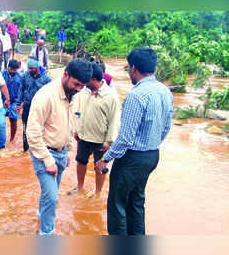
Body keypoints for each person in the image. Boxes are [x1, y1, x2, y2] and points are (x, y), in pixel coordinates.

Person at [94, 47, 173, 235]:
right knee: (136, 202)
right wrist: (150, 145)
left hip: (132, 159)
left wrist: (105, 158)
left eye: (129, 68)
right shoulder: (164, 91)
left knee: (117, 206)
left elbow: (125, 138)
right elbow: (165, 128)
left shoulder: (136, 96)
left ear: (134, 69)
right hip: (152, 156)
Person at [27, 58, 93, 236]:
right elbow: (32, 133)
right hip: (44, 153)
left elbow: (73, 123)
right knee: (52, 197)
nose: (79, 89)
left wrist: (70, 150)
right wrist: (48, 160)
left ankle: (41, 216)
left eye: (83, 86)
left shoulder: (76, 95)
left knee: (50, 194)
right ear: (65, 75)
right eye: (76, 84)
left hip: (62, 152)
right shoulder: (45, 96)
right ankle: (47, 235)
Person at [68, 63, 120, 196]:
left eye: (87, 79)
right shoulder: (84, 92)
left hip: (100, 140)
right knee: (80, 161)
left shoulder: (111, 96)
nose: (84, 82)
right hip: (83, 136)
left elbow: (114, 121)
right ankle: (80, 188)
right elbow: (80, 111)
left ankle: (97, 193)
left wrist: (109, 142)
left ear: (94, 79)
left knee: (100, 167)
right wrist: (77, 130)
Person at [16, 57, 52, 152]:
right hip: (28, 107)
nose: (29, 70)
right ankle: (25, 151)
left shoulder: (47, 78)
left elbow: (51, 94)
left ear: (37, 67)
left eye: (32, 68)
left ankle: (40, 151)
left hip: (41, 109)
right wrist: (19, 103)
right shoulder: (25, 75)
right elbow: (21, 89)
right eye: (29, 68)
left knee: (41, 130)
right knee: (26, 129)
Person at [1, 60, 22, 142]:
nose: (13, 71)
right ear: (8, 67)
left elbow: (22, 91)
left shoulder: (20, 78)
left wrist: (20, 104)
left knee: (13, 120)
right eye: (11, 69)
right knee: (0, 120)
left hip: (14, 102)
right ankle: (1, 138)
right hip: (2, 101)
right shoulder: (1, 74)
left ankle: (11, 139)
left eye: (15, 70)